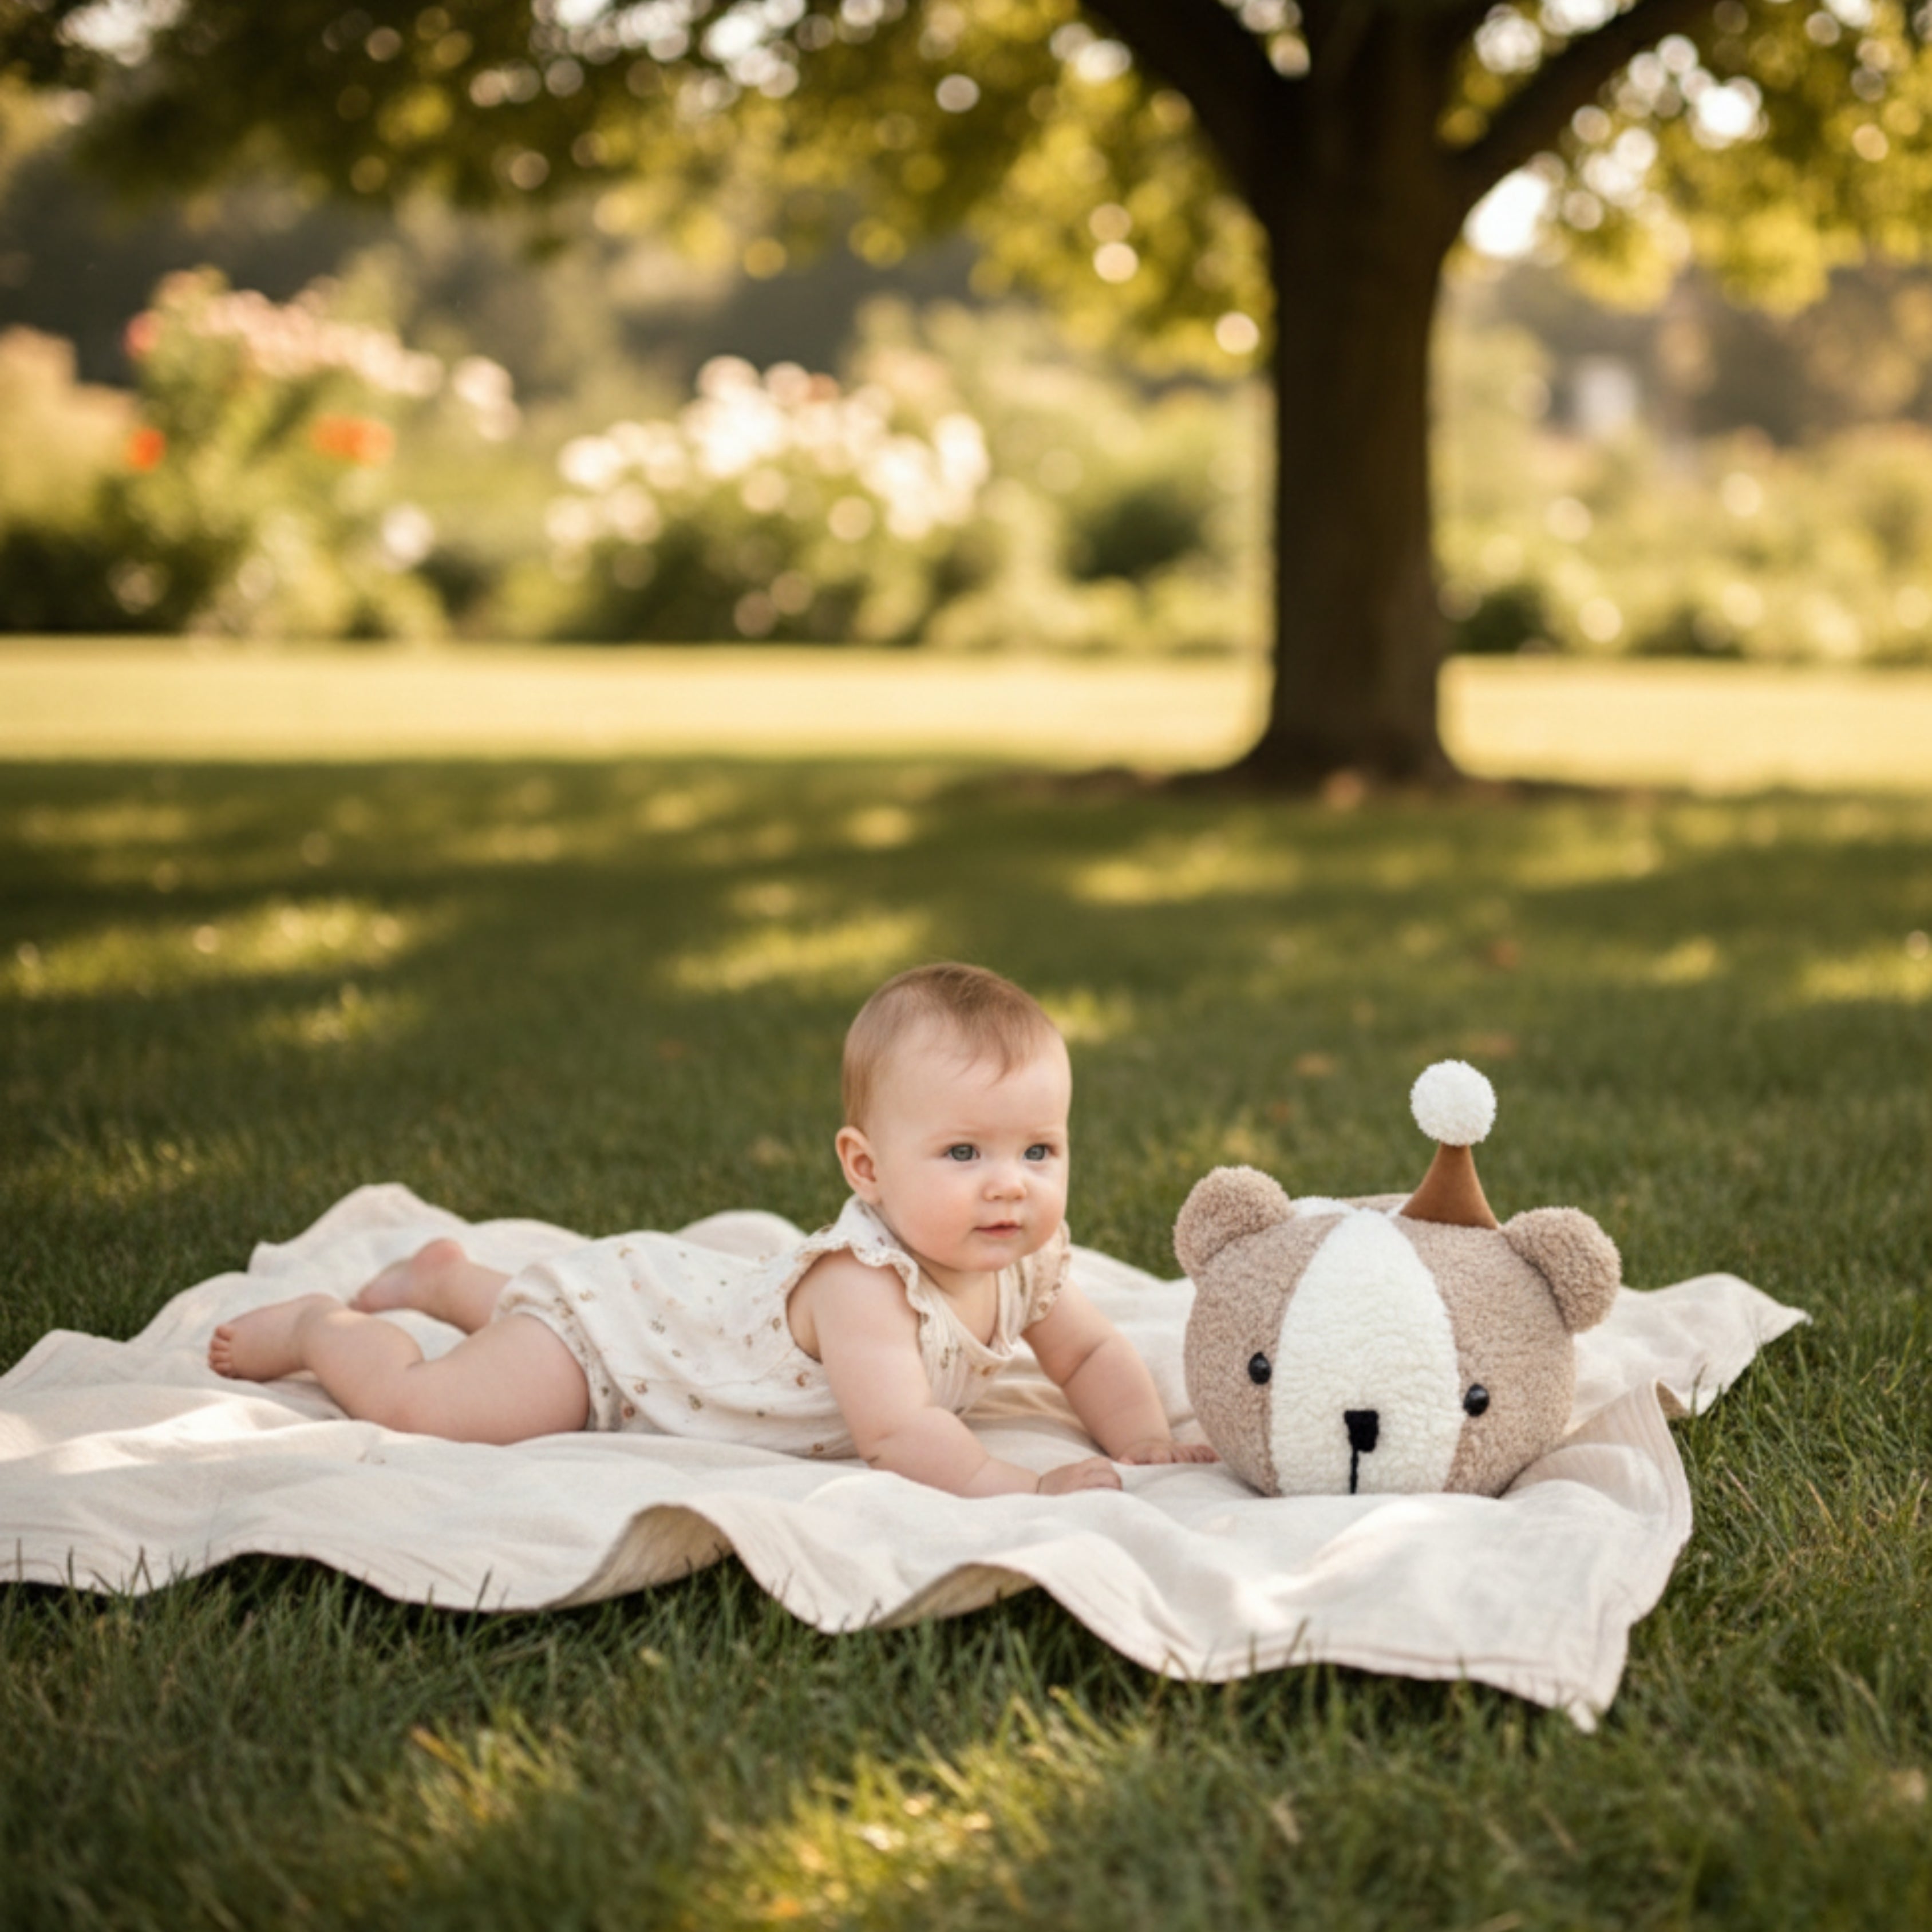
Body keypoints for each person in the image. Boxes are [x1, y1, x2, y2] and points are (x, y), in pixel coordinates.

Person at [210, 962, 1214, 1496]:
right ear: (865, 1168)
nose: (1010, 1188)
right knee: (435, 1407)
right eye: (964, 1155)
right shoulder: (866, 1288)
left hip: (669, 1302)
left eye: (1038, 1150)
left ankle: (453, 1277)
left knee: (534, 1306)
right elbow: (901, 1434)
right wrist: (1019, 1491)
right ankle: (319, 1330)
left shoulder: (1028, 1256)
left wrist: (1141, 1443)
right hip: (619, 1352)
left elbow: (1089, 1352)